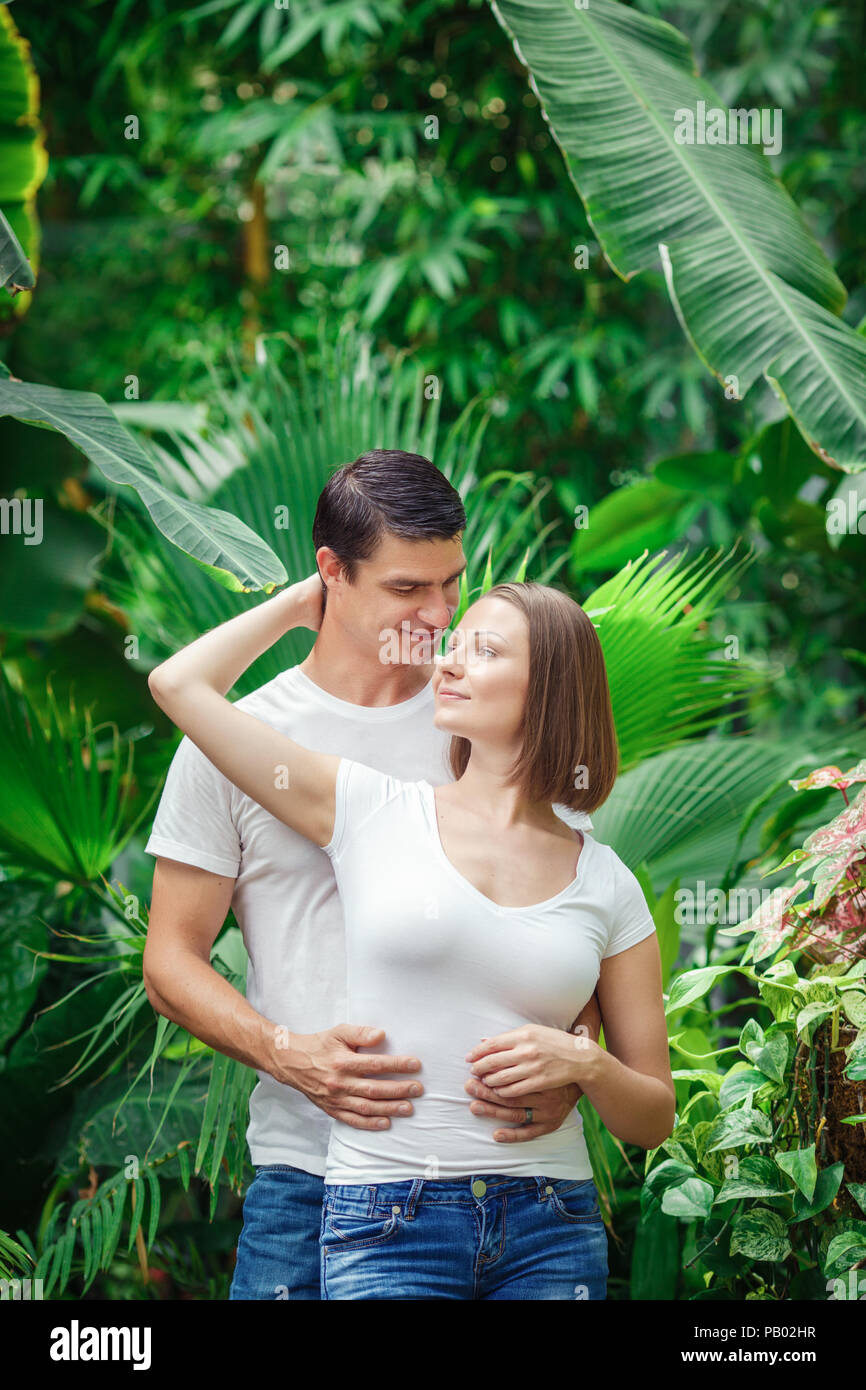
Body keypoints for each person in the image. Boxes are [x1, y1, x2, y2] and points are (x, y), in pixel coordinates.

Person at [147, 545, 675, 1299]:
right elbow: (176, 684)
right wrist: (311, 602)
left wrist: (585, 1068)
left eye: (482, 650)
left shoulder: (606, 881)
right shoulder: (371, 810)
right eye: (453, 648)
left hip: (551, 1218)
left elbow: (653, 1114)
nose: (447, 661)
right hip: (383, 1214)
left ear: (553, 688)